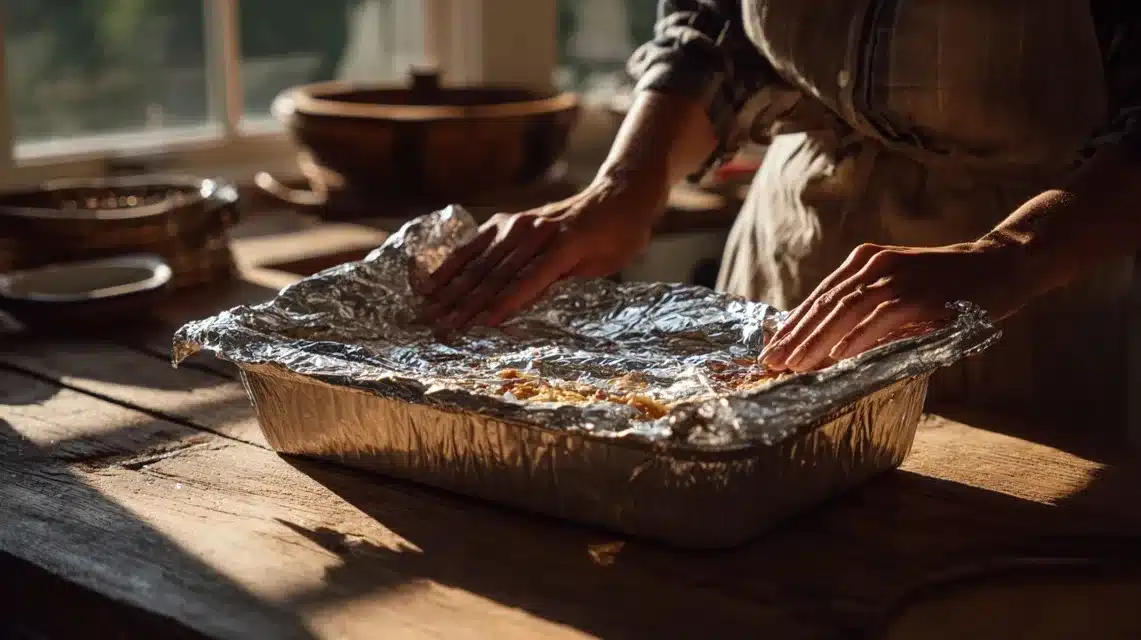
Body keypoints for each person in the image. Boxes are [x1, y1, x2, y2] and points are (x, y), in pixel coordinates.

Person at [420, 1, 1141, 418]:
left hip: (1042, 274)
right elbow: (714, 25)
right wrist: (624, 187)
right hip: (792, 243)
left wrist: (1011, 255)